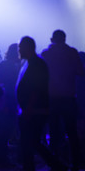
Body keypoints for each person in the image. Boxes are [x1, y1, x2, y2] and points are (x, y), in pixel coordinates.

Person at [16, 36, 66, 171]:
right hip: (30, 109)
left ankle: (55, 165)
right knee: (31, 141)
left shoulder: (37, 64)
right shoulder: (30, 63)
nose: (18, 49)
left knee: (31, 141)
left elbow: (37, 89)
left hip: (34, 110)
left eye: (20, 47)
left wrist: (29, 108)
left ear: (28, 47)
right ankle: (53, 165)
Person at [41, 30, 84, 170]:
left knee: (53, 132)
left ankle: (56, 163)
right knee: (71, 132)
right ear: (64, 39)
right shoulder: (72, 52)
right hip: (68, 97)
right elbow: (80, 72)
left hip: (51, 98)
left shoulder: (46, 54)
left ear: (51, 39)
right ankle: (75, 163)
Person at [0, 43, 21, 167]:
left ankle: (3, 159)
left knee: (6, 132)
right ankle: (2, 160)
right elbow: (1, 85)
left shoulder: (8, 65)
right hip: (7, 102)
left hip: (10, 102)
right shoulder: (9, 66)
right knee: (4, 132)